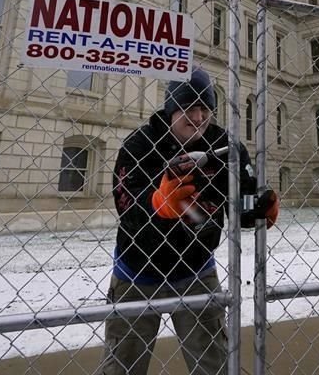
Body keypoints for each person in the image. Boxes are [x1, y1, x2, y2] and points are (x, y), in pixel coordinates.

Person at [99, 68, 278, 375]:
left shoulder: (225, 146)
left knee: (215, 361)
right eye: (188, 108)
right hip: (138, 271)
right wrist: (158, 202)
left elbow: (242, 204)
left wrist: (260, 207)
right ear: (171, 109)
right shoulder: (140, 144)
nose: (198, 117)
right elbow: (126, 205)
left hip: (197, 267)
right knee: (122, 365)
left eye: (205, 108)